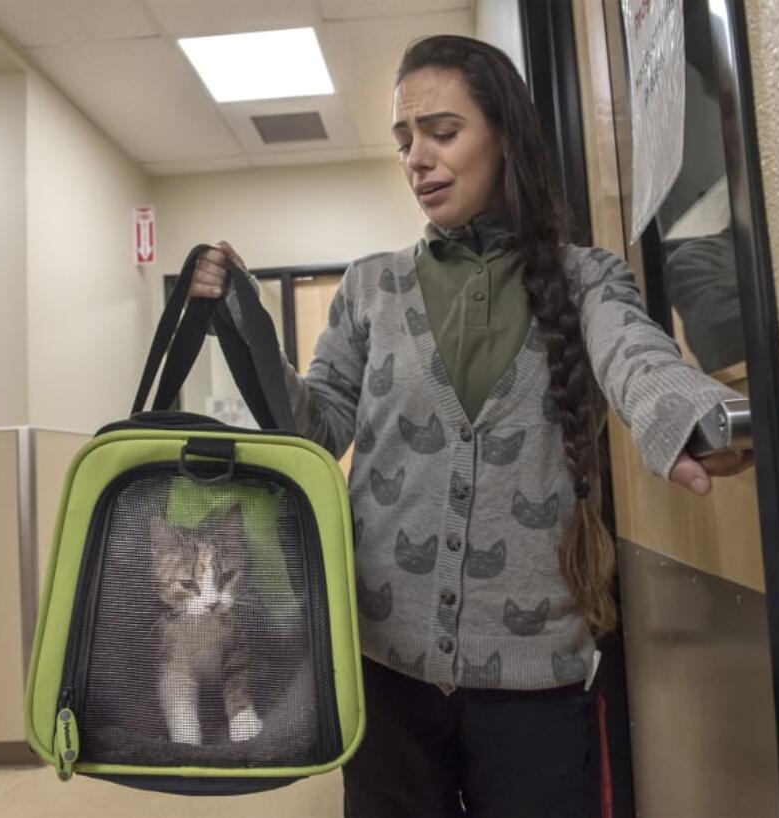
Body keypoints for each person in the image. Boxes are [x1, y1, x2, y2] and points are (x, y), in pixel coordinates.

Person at [189, 34, 750, 818]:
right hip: (385, 675)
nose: (417, 157)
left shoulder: (585, 278)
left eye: (442, 133)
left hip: (536, 682)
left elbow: (636, 354)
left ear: (505, 137)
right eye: (404, 140)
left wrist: (687, 412)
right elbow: (315, 431)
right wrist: (242, 321)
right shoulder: (369, 290)